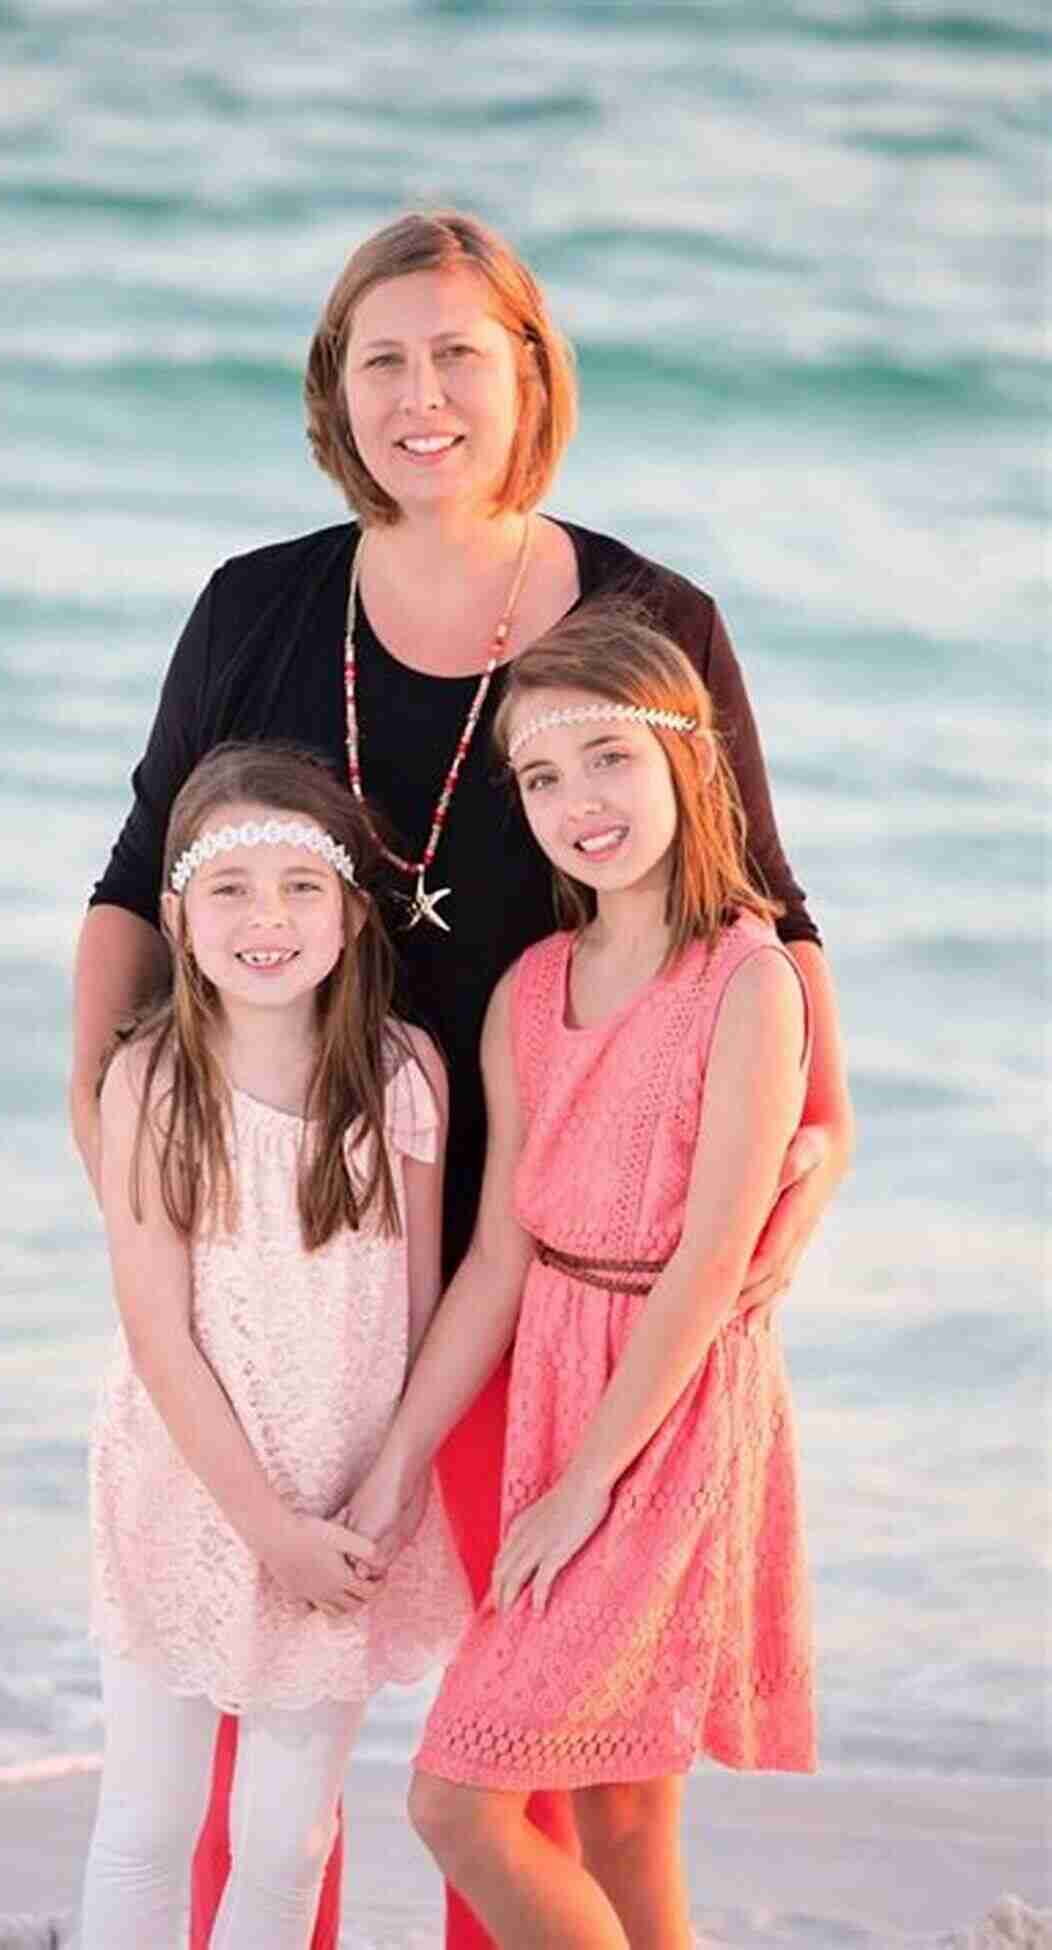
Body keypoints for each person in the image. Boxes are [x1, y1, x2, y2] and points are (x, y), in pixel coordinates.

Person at [69, 210, 854, 1950]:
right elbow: (136, 886)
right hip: (306, 1228)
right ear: (334, 391)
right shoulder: (259, 607)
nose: (423, 396)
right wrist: (105, 1136)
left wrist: (830, 1115)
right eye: (383, 357)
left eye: (461, 355)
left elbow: (769, 903)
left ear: (533, 377)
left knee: (534, 1736)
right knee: (280, 1693)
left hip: (565, 1242)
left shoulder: (657, 618)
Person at [345, 604, 819, 1949]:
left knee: (456, 1800)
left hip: (667, 1421)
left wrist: (585, 1482)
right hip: (557, 1370)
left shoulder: (748, 982)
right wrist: (397, 1464)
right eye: (543, 776)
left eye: (606, 757)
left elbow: (711, 1265)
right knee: (615, 1809)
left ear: (685, 757)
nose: (578, 802)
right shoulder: (531, 989)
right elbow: (499, 1257)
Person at [78, 742, 470, 1950]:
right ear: (178, 916)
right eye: (230, 888)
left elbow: (420, 1306)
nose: (268, 918)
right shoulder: (152, 1080)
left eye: (301, 886)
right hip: (193, 1493)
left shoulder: (403, 1072)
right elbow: (158, 1336)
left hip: (347, 1503)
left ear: (352, 915)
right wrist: (262, 1530)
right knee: (147, 1815)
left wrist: (392, 1483)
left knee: (288, 1832)